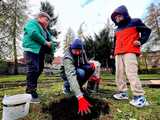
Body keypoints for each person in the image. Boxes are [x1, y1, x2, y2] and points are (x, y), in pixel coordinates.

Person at [111, 5, 151, 107]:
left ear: (124, 14)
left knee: (131, 73)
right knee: (119, 74)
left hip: (130, 51)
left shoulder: (135, 22)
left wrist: (141, 41)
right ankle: (122, 93)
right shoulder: (116, 30)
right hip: (118, 53)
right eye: (115, 17)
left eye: (119, 16)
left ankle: (139, 97)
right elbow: (115, 42)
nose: (117, 18)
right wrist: (113, 52)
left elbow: (147, 31)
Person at [22, 11, 58, 103]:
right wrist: (46, 42)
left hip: (39, 53)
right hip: (31, 50)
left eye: (48, 21)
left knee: (39, 69)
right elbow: (33, 34)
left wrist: (53, 44)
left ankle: (31, 87)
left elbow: (50, 40)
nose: (47, 22)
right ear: (39, 18)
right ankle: (30, 92)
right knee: (33, 69)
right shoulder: (32, 23)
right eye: (46, 20)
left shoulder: (45, 31)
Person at [60, 38, 95, 115]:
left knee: (91, 67)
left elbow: (85, 63)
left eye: (79, 51)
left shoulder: (82, 51)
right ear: (71, 48)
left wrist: (90, 65)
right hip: (67, 73)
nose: (77, 53)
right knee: (81, 73)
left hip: (78, 68)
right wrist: (79, 96)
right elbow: (71, 75)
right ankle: (66, 86)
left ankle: (78, 87)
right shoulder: (67, 57)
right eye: (75, 51)